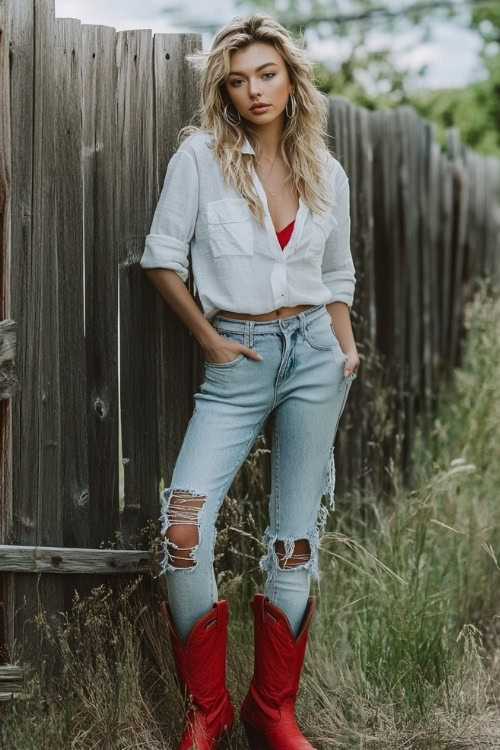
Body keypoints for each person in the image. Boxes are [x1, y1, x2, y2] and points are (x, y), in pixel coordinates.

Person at [139, 12, 360, 750]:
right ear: (225, 93)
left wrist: (346, 348)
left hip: (315, 356)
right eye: (237, 81)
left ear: (291, 78)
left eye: (266, 73)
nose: (253, 90)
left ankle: (273, 711)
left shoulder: (328, 173)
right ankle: (209, 710)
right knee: (183, 528)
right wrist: (212, 341)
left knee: (294, 541)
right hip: (238, 359)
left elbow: (337, 275)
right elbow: (161, 259)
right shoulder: (200, 159)